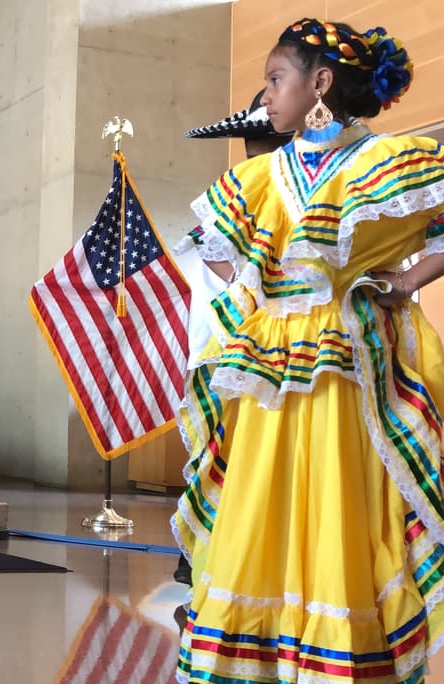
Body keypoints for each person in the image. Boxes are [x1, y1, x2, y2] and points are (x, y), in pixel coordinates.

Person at [171, 18, 444, 684]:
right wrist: (256, 289)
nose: (267, 94)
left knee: (338, 500)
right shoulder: (259, 175)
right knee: (261, 497)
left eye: (277, 79)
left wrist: (405, 280)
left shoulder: (387, 160)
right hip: (272, 361)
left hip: (348, 362)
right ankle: (265, 654)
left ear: (321, 84)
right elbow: (210, 242)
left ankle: (333, 667)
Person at [173, 89, 293, 588]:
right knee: (245, 455)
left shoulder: (245, 194)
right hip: (248, 344)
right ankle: (227, 557)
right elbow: (227, 269)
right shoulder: (250, 192)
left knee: (236, 455)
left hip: (241, 343)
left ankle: (218, 557)